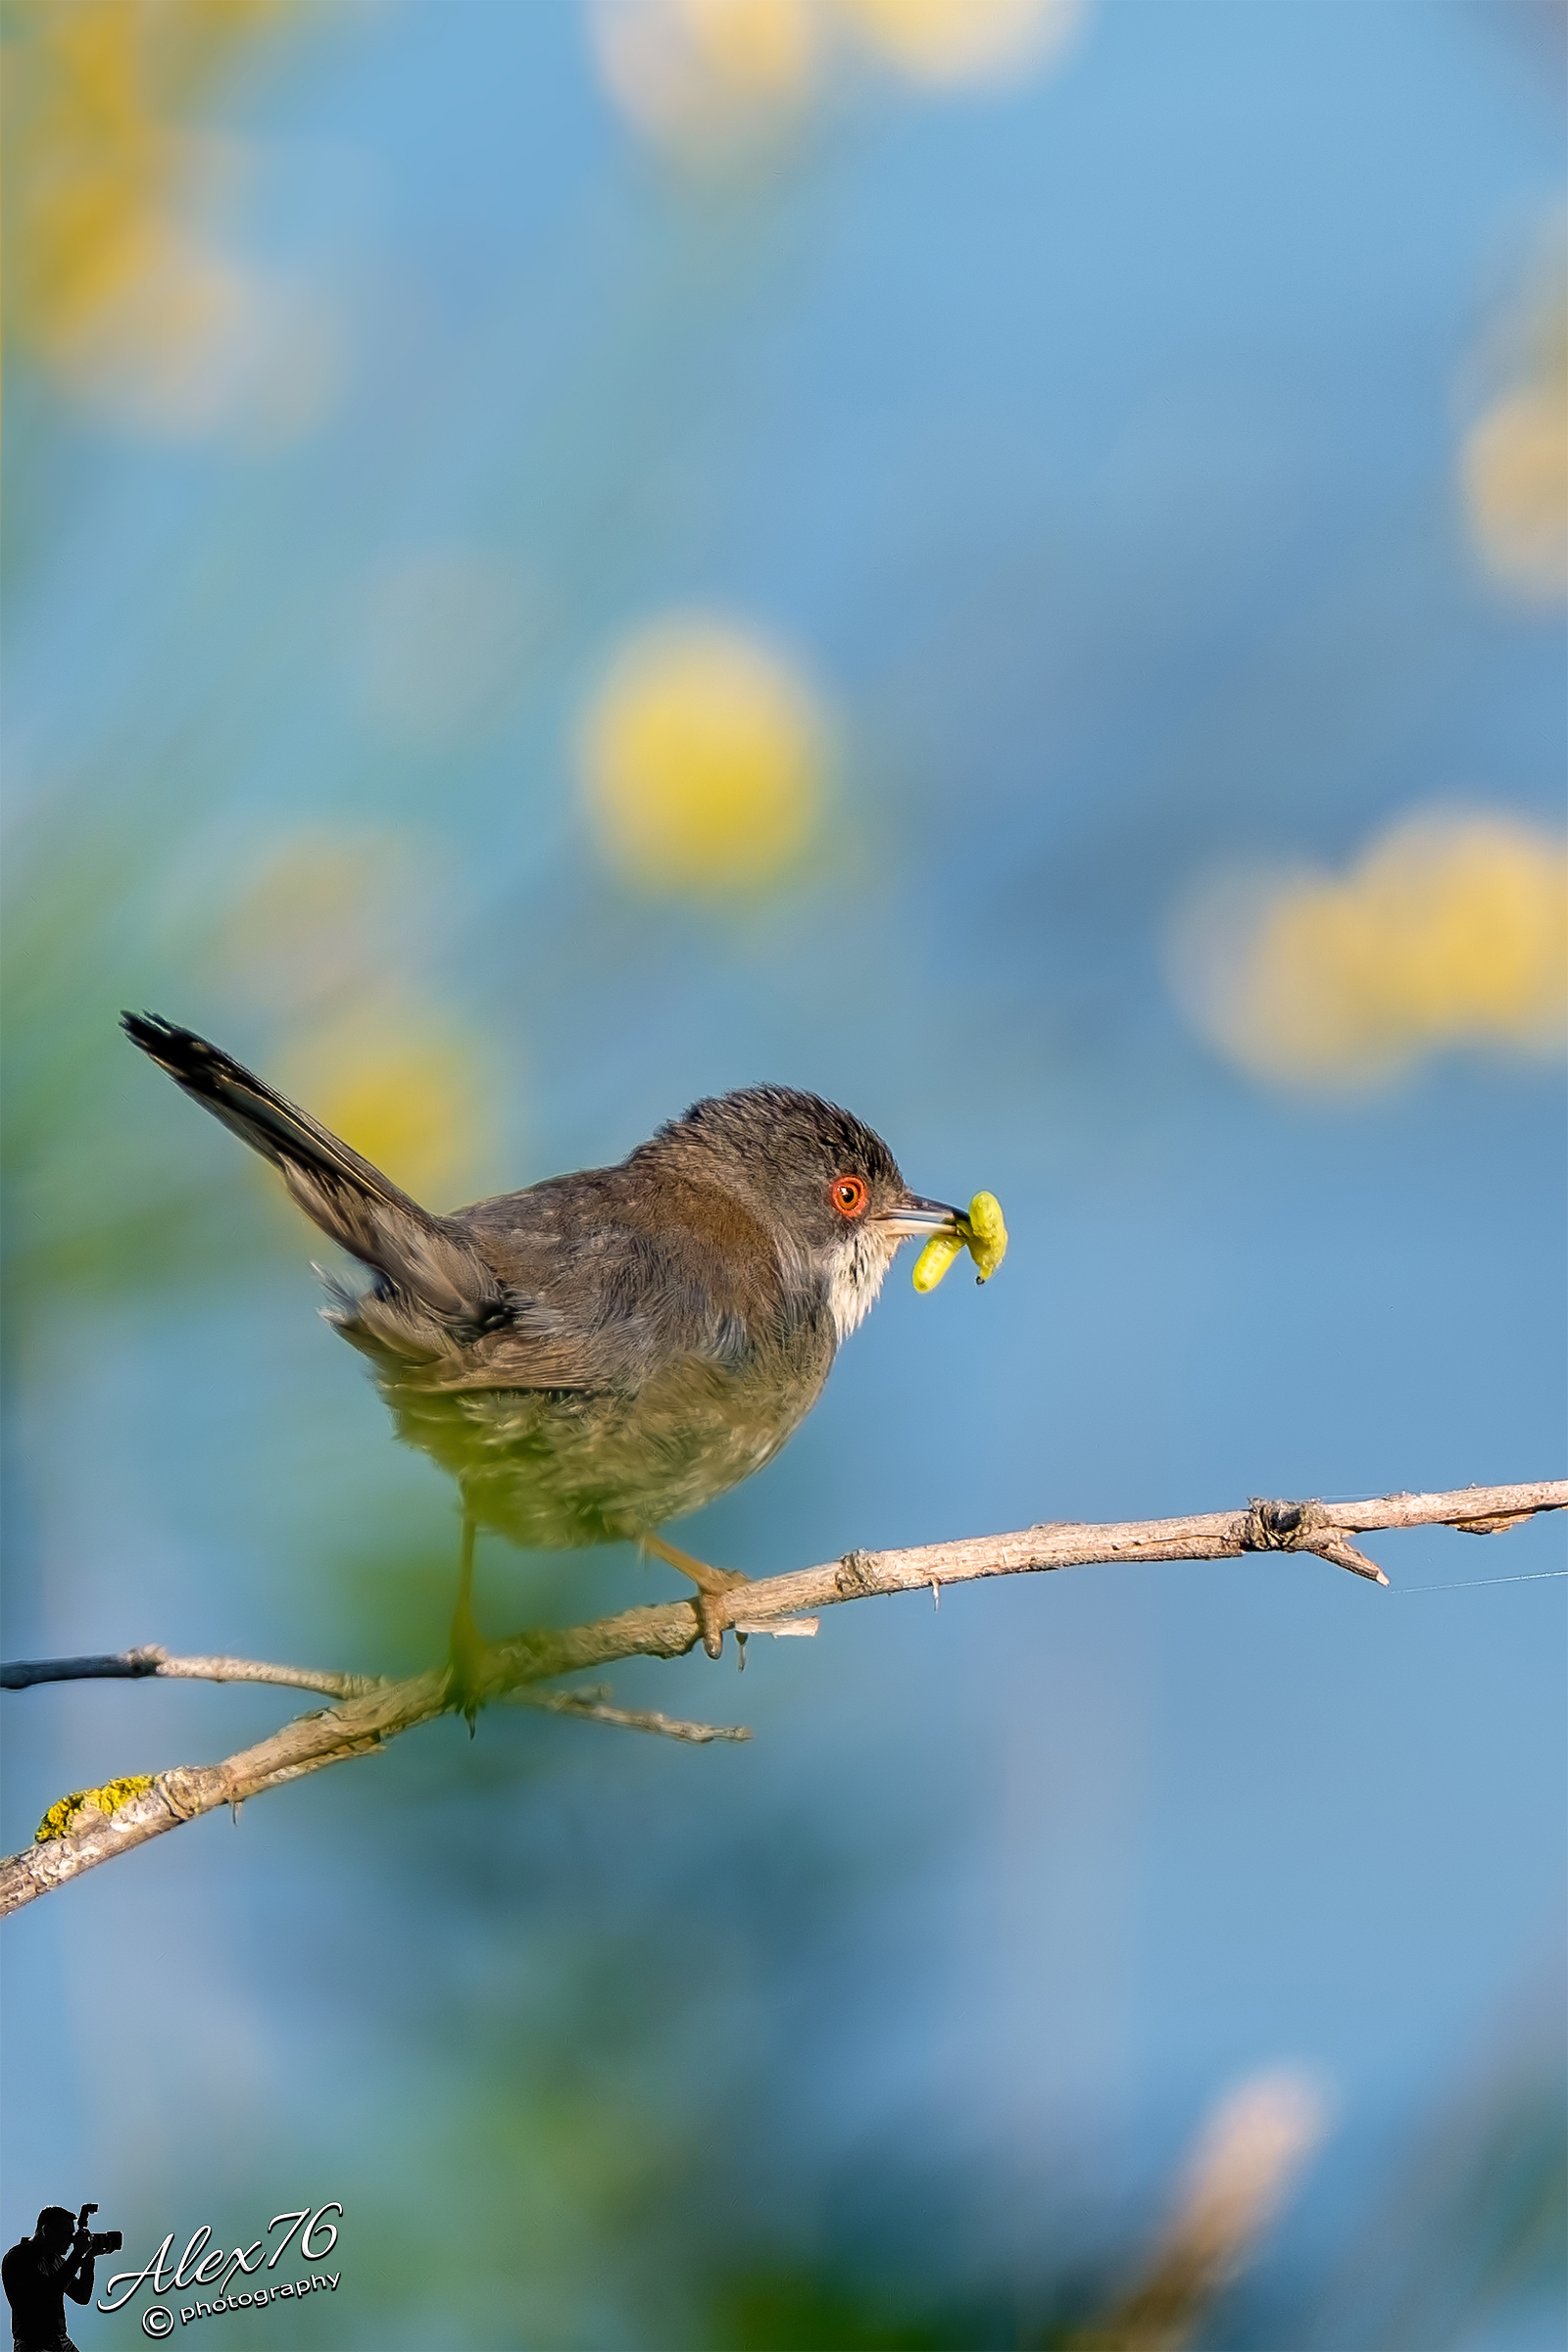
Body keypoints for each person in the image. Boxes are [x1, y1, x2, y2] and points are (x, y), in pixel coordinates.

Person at [2, 2209, 97, 2352]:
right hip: (32, 2344)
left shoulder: (55, 2259)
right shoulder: (18, 2258)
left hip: (60, 2341)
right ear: (46, 2230)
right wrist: (77, 2254)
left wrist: (89, 2258)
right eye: (66, 2235)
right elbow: (50, 2291)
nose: (71, 2241)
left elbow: (81, 2296)